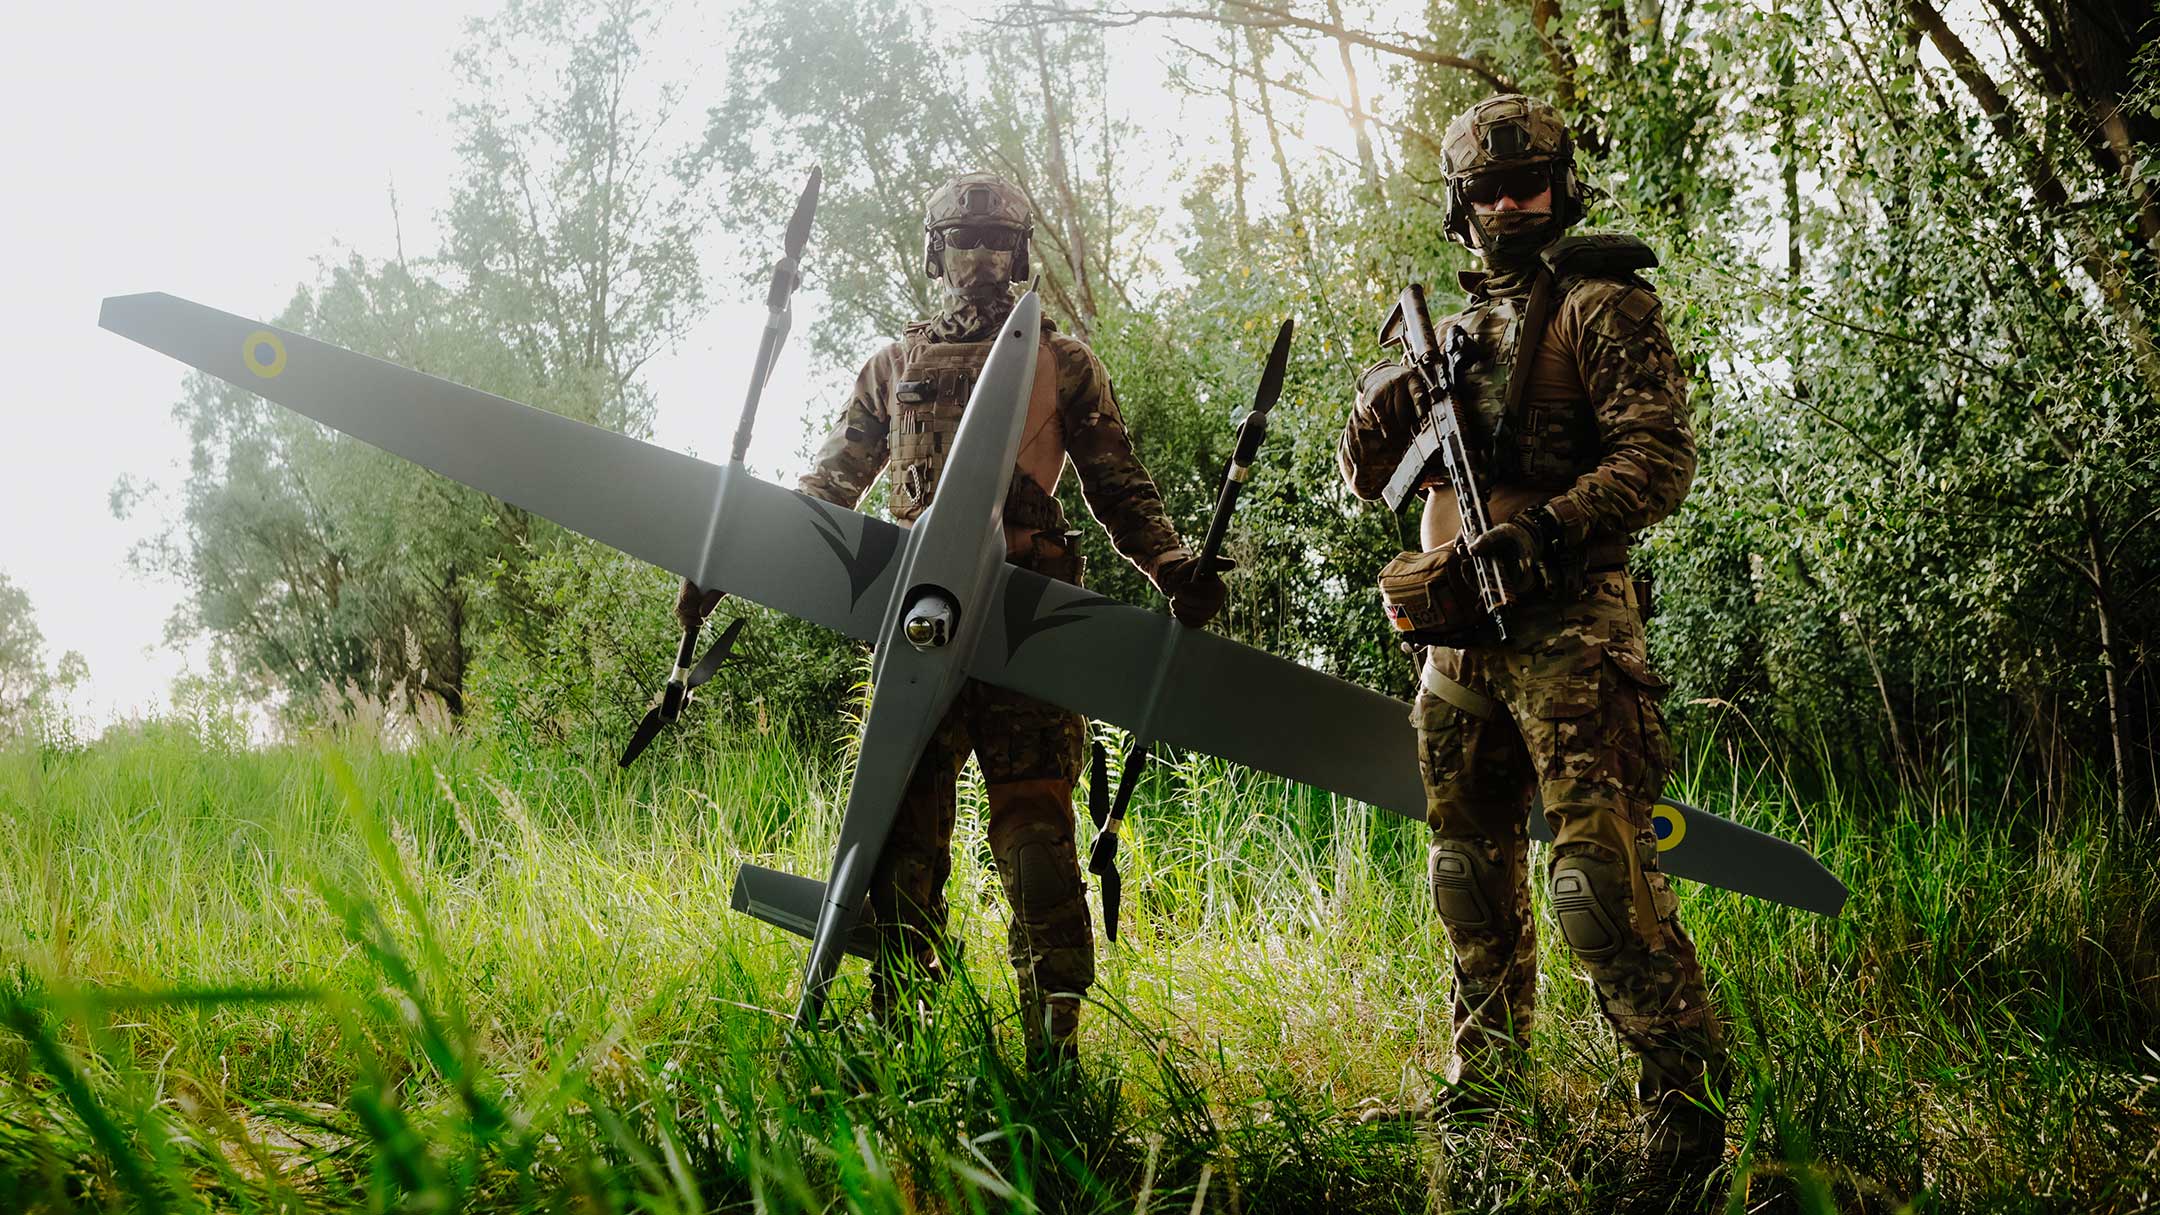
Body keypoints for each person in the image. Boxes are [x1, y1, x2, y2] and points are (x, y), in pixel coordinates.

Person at [676, 172, 1225, 1067]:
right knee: (899, 858)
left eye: (999, 242)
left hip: (1025, 627)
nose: (981, 258)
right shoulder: (891, 367)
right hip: (916, 630)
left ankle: (1055, 1062)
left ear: (1021, 253)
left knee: (1038, 850)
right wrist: (729, 569)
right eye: (963, 241)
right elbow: (828, 490)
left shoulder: (1064, 361)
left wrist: (1173, 568)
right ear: (934, 253)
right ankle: (907, 1055)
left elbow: (1119, 488)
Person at [1337, 95, 1728, 1160]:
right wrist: (1386, 405)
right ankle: (1486, 1109)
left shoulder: (1605, 307)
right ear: (1460, 208)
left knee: (1602, 886)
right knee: (1468, 878)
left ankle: (1685, 1127)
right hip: (1456, 641)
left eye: (1531, 185)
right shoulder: (1449, 333)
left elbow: (1658, 461)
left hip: (1570, 630)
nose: (1512, 205)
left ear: (1564, 188)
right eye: (1489, 192)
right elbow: (1364, 479)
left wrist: (1544, 530)